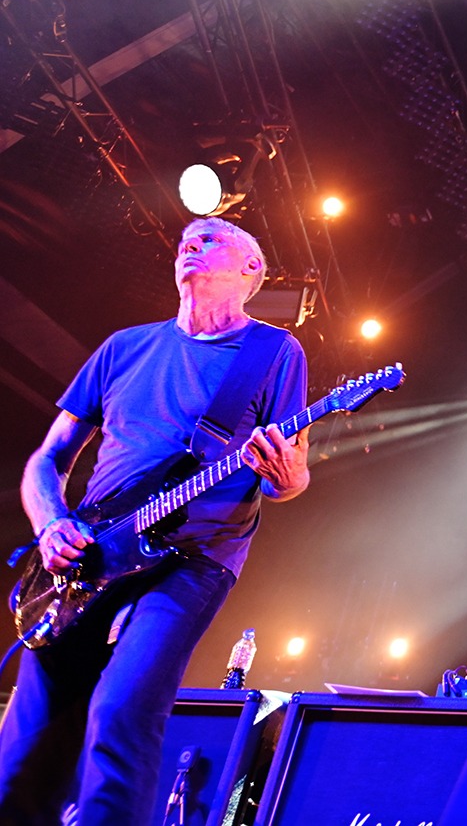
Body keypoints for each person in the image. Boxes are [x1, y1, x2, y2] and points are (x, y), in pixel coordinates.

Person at [0, 218, 311, 826]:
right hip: (91, 553)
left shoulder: (274, 353)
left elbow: (290, 478)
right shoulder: (124, 347)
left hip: (195, 558)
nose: (190, 245)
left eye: (212, 239)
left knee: (122, 709)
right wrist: (51, 526)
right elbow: (47, 460)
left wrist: (287, 475)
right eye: (185, 242)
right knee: (26, 741)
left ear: (253, 272)